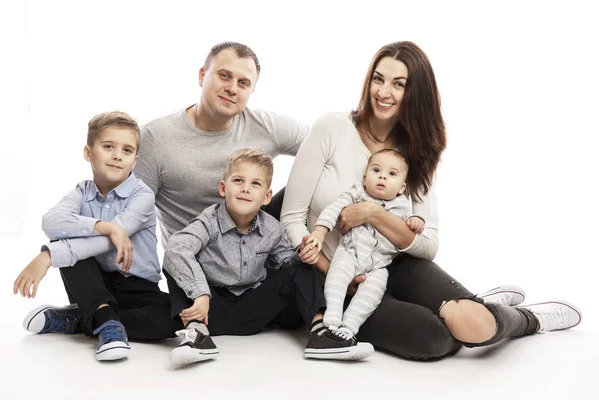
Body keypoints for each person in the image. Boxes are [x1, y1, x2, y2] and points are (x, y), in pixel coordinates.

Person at [280, 41, 583, 360]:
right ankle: (485, 304)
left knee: (474, 324)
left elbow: (428, 244)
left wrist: (373, 213)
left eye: (399, 84)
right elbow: (292, 218)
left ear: (415, 93)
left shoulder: (417, 151)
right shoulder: (331, 127)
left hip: (395, 267)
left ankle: (529, 320)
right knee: (436, 341)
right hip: (339, 276)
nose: (384, 92)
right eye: (378, 79)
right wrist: (331, 270)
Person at [13, 111, 179, 361]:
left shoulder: (142, 196)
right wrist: (108, 226)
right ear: (88, 153)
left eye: (127, 150)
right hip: (93, 285)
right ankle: (107, 326)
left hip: (137, 288)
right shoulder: (82, 192)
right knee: (67, 244)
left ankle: (83, 320)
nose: (117, 155)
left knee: (174, 317)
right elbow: (51, 221)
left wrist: (48, 257)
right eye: (108, 146)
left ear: (135, 160)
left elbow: (105, 243)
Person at [162, 148, 327, 367]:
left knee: (302, 268)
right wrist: (201, 293)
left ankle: (321, 332)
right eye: (238, 180)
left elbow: (287, 265)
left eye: (255, 184)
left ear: (267, 196)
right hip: (208, 311)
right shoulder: (209, 222)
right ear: (223, 188)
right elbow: (176, 248)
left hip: (254, 310)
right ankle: (197, 336)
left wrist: (303, 255)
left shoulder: (273, 229)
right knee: (176, 264)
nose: (245, 189)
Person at [134, 42, 308, 248]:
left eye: (243, 83)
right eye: (224, 76)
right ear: (202, 76)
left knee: (318, 181)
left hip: (253, 252)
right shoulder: (155, 138)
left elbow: (330, 144)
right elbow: (133, 214)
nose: (232, 89)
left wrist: (357, 208)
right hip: (193, 258)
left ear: (252, 90)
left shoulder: (266, 126)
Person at [303, 149, 422, 360]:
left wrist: (416, 222)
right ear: (365, 178)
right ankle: (332, 315)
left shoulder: (403, 205)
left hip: (378, 264)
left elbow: (409, 228)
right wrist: (320, 231)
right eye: (377, 170)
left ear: (402, 187)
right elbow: (334, 209)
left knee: (374, 290)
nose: (383, 176)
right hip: (350, 251)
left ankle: (349, 327)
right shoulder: (356, 193)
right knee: (337, 277)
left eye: (392, 174)